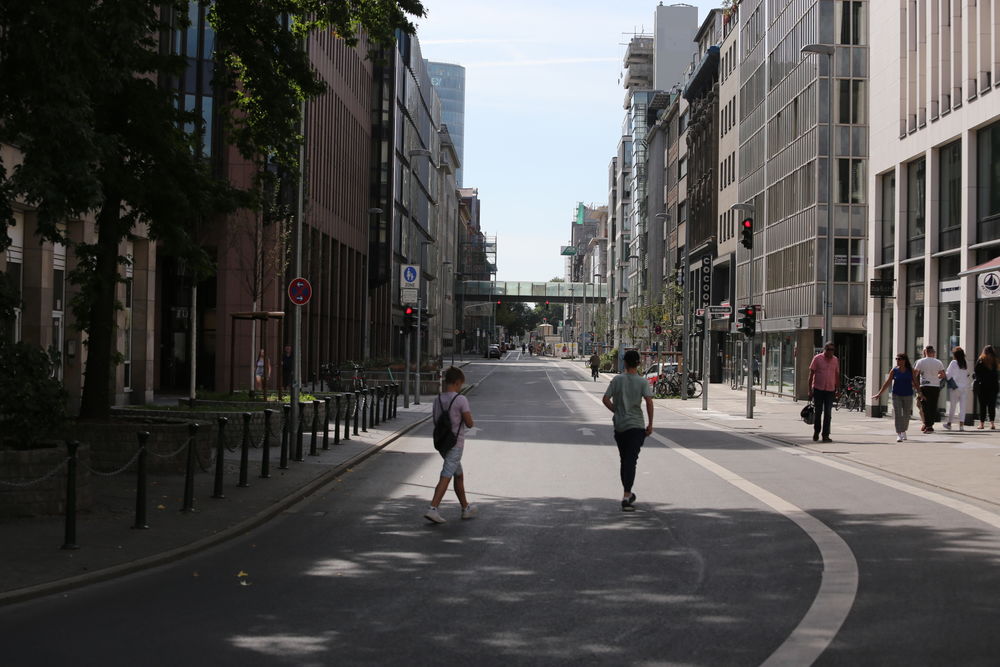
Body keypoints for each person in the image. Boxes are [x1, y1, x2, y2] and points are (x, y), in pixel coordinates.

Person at [602, 349, 654, 512]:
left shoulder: (617, 380)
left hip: (620, 426)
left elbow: (605, 399)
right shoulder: (642, 382)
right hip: (636, 426)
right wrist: (651, 424)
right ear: (638, 363)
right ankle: (626, 495)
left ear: (624, 362)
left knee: (624, 459)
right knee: (631, 460)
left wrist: (617, 411)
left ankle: (627, 493)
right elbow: (649, 402)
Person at [424, 366, 476, 524]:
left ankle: (465, 508)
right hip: (456, 443)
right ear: (458, 382)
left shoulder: (438, 399)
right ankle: (433, 508)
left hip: (442, 443)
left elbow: (435, 420)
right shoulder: (460, 399)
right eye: (461, 384)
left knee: (458, 475)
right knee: (446, 475)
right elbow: (469, 423)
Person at [872, 352, 915, 442]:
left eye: (899, 359)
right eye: (896, 359)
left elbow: (916, 383)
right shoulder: (894, 370)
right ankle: (899, 433)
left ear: (904, 360)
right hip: (896, 395)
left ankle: (903, 430)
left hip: (908, 395)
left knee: (906, 414)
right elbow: (887, 383)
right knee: (898, 414)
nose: (897, 361)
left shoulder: (910, 370)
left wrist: (921, 393)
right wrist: (879, 393)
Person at [808, 342, 840, 443]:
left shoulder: (835, 360)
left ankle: (825, 435)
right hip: (818, 389)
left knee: (828, 414)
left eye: (832, 350)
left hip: (830, 390)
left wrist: (837, 389)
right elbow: (811, 374)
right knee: (818, 412)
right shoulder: (817, 358)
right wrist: (809, 390)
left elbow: (836, 375)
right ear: (824, 349)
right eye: (829, 349)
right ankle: (816, 431)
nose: (830, 352)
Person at [914, 345, 946, 433]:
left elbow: (915, 374)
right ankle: (930, 425)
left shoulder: (920, 361)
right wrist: (936, 377)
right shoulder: (938, 362)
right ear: (933, 352)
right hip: (935, 386)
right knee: (933, 406)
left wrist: (915, 383)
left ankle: (927, 425)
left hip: (924, 386)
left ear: (925, 352)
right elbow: (943, 375)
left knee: (925, 406)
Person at [944, 346, 972, 431]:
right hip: (964, 387)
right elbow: (968, 374)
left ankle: (949, 424)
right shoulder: (966, 362)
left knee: (953, 406)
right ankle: (961, 426)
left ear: (955, 355)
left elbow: (948, 374)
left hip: (955, 387)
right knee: (963, 407)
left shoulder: (953, 362)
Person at [973, 345, 999, 430]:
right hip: (993, 386)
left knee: (983, 405)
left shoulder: (981, 360)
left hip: (982, 386)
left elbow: (976, 372)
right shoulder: (995, 361)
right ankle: (992, 424)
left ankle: (982, 424)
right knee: (992, 405)